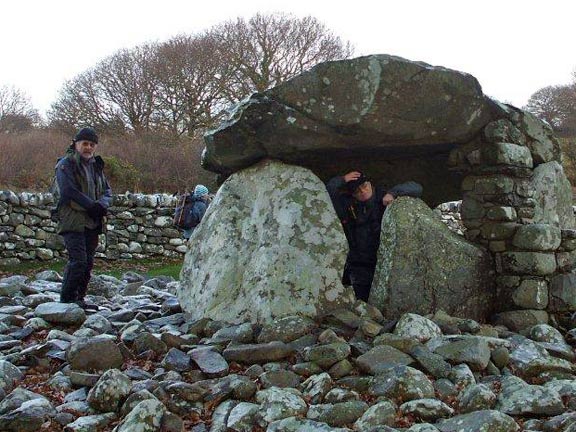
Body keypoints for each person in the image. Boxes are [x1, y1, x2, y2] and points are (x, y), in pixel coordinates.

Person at [327, 171, 423, 301]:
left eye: (364, 186)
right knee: (362, 299)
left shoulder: (383, 197)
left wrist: (393, 193)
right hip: (359, 263)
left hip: (383, 261)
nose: (363, 191)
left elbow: (416, 188)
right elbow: (330, 191)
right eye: (357, 191)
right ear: (353, 195)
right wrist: (342, 179)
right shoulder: (348, 206)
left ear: (370, 184)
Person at [54, 127, 112, 310]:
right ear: (76, 143)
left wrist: (102, 204)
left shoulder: (96, 166)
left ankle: (80, 298)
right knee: (78, 260)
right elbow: (67, 191)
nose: (88, 147)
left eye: (92, 144)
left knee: (88, 262)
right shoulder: (65, 164)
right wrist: (92, 206)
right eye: (85, 143)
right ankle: (67, 300)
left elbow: (107, 190)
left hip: (92, 221)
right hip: (73, 219)